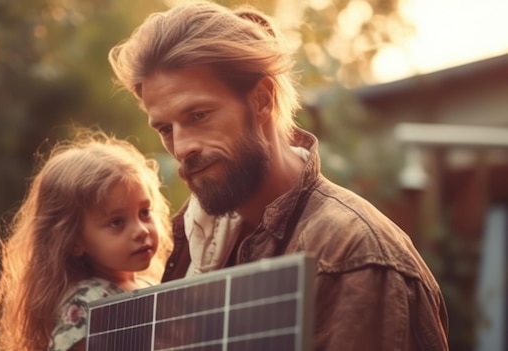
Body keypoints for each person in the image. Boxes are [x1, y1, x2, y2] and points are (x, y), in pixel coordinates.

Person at [108, 1, 449, 350]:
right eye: (165, 128)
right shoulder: (194, 244)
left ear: (261, 100)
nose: (181, 148)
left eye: (198, 115)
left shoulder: (353, 255)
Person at [0, 129, 173, 351]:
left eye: (144, 212)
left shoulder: (147, 284)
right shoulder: (88, 303)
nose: (141, 231)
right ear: (74, 241)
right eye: (116, 222)